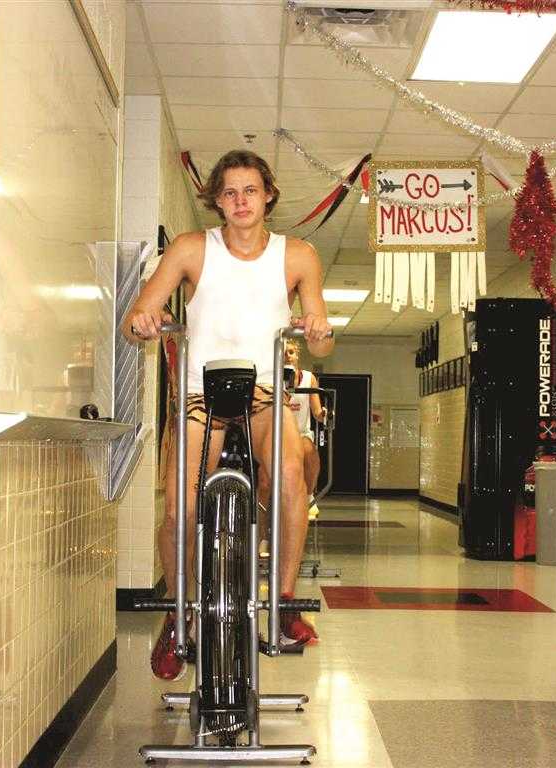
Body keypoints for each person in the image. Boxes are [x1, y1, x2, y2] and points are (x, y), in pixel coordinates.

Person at [123, 149, 333, 680]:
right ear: (217, 200)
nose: (241, 201)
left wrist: (318, 333)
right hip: (201, 392)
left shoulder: (298, 255)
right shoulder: (193, 249)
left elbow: (323, 345)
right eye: (229, 192)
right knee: (180, 507)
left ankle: (283, 604)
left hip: (263, 389)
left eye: (250, 191)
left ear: (268, 196)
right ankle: (179, 614)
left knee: (289, 474)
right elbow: (135, 320)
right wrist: (145, 320)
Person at [259, 340, 326, 557]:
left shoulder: (308, 378)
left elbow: (316, 411)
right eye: (283, 353)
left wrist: (323, 414)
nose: (287, 356)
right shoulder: (269, 379)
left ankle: (308, 495)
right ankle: (263, 537)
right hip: (275, 434)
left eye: (290, 352)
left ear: (297, 355)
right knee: (264, 482)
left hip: (301, 433)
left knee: (308, 449)